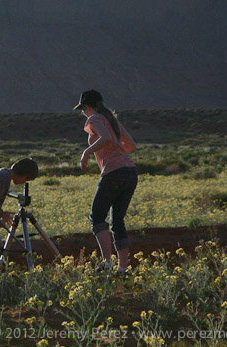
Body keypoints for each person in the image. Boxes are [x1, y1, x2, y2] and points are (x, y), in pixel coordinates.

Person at [74, 90, 138, 274]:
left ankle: (107, 263)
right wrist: (115, 148)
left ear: (87, 106)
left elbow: (106, 138)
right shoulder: (112, 119)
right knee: (118, 220)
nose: (83, 113)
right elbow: (131, 146)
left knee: (97, 217)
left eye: (83, 109)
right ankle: (123, 268)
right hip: (130, 172)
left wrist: (86, 152)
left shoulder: (94, 119)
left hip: (113, 173)